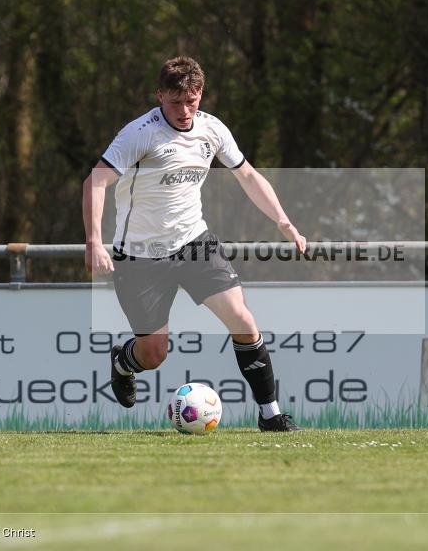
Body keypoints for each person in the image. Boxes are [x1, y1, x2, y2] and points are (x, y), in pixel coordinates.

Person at [83, 56, 305, 432]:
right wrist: (94, 241)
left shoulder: (212, 129)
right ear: (160, 96)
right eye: (175, 102)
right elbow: (95, 182)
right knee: (154, 353)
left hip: (194, 243)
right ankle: (123, 362)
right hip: (140, 256)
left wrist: (284, 221)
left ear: (200, 93)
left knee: (243, 320)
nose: (184, 111)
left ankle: (270, 415)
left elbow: (248, 176)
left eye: (191, 100)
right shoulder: (140, 134)